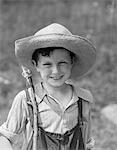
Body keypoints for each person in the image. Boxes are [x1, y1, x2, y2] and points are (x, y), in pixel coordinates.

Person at [0, 23, 96, 150]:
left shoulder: (83, 100)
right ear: (35, 65)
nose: (55, 71)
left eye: (62, 63)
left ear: (72, 62)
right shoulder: (27, 100)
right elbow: (5, 137)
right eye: (47, 64)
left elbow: (87, 142)